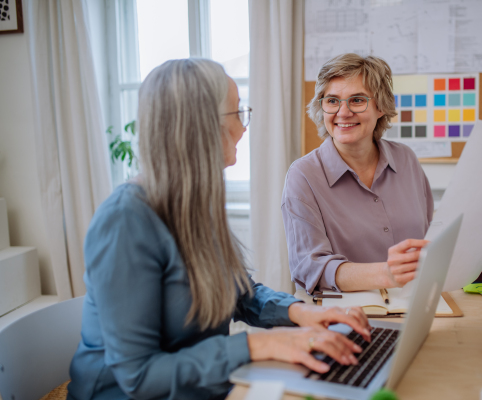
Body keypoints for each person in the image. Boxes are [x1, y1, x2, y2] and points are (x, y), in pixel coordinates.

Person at [67, 58, 371, 400]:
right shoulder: (124, 222)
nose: (243, 128)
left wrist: (303, 313)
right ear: (200, 126)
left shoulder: (193, 202)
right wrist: (258, 344)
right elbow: (139, 377)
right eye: (237, 113)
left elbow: (240, 294)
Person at [282, 53, 434, 295]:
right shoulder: (304, 175)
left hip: (416, 304)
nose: (343, 112)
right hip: (345, 316)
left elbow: (430, 235)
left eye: (357, 100)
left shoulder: (406, 160)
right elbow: (309, 267)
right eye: (332, 101)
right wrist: (385, 274)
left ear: (381, 107)